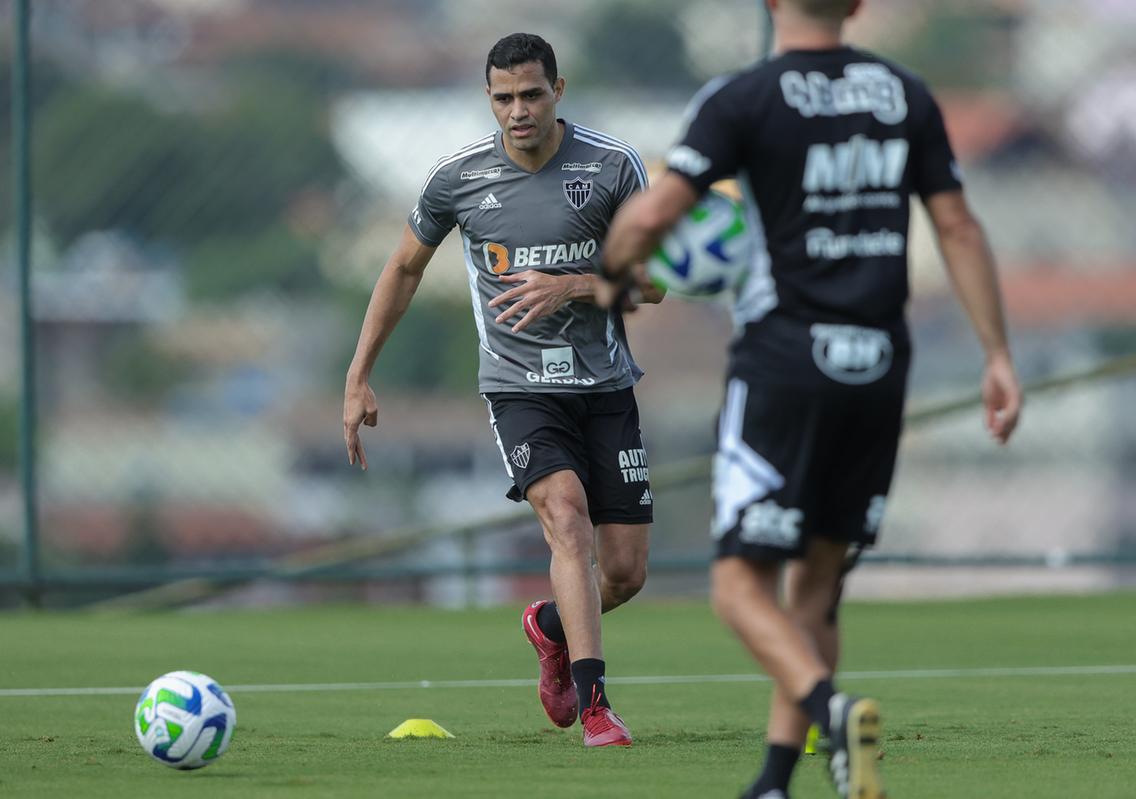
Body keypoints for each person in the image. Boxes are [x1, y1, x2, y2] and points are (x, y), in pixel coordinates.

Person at [601, 0, 1023, 795]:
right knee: (819, 583)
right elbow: (958, 226)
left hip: (785, 361)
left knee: (737, 586)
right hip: (878, 363)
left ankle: (832, 713)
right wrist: (996, 353)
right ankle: (773, 780)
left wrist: (614, 270)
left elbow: (658, 211)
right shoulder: (905, 95)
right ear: (858, 4)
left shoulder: (743, 97)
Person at [343, 32, 662, 748]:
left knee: (626, 571)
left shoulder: (613, 167)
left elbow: (656, 280)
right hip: (518, 388)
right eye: (502, 98)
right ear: (488, 99)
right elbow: (401, 269)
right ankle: (597, 705)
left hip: (606, 384)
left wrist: (577, 285)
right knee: (567, 517)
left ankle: (549, 625)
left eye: (530, 94)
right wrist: (358, 374)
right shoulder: (458, 178)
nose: (517, 111)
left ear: (559, 91)